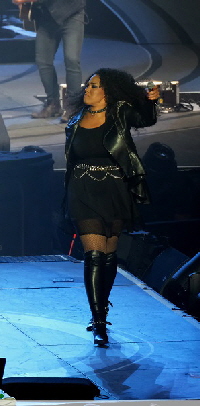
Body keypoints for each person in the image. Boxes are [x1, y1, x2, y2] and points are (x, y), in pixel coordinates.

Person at [64, 68, 159, 346]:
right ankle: (98, 321)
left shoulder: (121, 112)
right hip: (82, 191)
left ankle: (103, 309)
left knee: (108, 256)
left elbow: (146, 119)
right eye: (88, 85)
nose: (87, 90)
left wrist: (151, 101)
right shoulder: (75, 120)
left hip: (114, 190)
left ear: (108, 91)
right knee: (93, 254)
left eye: (94, 86)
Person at [29, 0, 86, 121]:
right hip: (46, 17)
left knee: (71, 59)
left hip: (72, 14)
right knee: (43, 61)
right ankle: (53, 104)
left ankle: (73, 106)